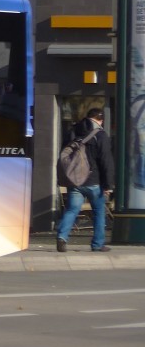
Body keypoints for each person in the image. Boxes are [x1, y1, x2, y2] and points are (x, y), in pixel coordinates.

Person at [56, 107, 116, 252]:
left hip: (75, 180)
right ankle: (97, 244)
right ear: (100, 120)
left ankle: (62, 237)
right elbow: (105, 160)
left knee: (71, 210)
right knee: (99, 212)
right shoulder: (100, 135)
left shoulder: (74, 130)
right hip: (93, 181)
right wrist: (108, 184)